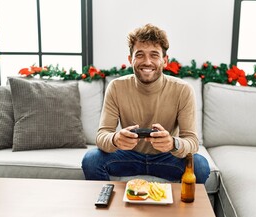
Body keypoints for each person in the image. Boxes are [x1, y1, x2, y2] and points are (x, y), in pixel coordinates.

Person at [82, 23, 210, 183]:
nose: (147, 62)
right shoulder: (116, 87)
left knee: (201, 166)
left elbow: (192, 142)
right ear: (131, 59)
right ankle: (106, 204)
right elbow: (102, 136)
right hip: (128, 156)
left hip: (168, 157)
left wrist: (172, 143)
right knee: (92, 159)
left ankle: (181, 207)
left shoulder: (183, 90)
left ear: (165, 60)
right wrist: (116, 139)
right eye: (140, 54)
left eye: (154, 55)